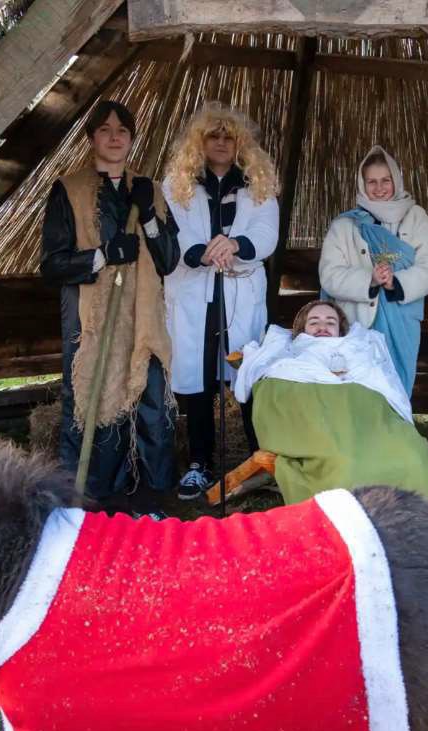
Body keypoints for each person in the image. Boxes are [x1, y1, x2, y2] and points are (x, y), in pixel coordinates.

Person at [40, 100, 180, 505]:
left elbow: (169, 260)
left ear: (132, 139)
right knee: (95, 404)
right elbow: (52, 265)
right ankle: (93, 503)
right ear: (91, 138)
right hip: (92, 323)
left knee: (151, 404)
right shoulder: (68, 190)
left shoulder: (150, 191)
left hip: (144, 322)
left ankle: (151, 501)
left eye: (122, 131)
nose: (115, 137)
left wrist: (149, 217)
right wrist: (103, 255)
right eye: (105, 130)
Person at [162, 103, 279, 500]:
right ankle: (200, 463)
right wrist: (203, 252)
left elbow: (266, 232)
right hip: (196, 293)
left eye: (229, 136)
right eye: (214, 135)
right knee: (197, 379)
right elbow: (172, 233)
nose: (222, 142)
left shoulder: (255, 183)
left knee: (247, 372)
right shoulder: (177, 184)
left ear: (240, 142)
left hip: (239, 292)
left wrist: (235, 244)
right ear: (200, 141)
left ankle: (261, 461)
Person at [234, 300, 428, 504]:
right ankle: (349, 519)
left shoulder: (359, 351)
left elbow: (383, 387)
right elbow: (276, 397)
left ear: (341, 330)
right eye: (314, 322)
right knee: (345, 464)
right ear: (302, 329)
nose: (322, 326)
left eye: (330, 322)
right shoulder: (288, 356)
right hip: (320, 424)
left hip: (366, 419)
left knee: (410, 458)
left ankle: (419, 517)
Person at [319, 145, 428, 396]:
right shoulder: (345, 225)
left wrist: (396, 282)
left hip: (402, 319)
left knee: (396, 388)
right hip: (356, 321)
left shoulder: (416, 217)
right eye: (372, 182)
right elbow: (329, 275)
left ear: (396, 179)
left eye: (386, 180)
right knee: (356, 389)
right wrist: (370, 280)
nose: (379, 188)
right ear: (362, 184)